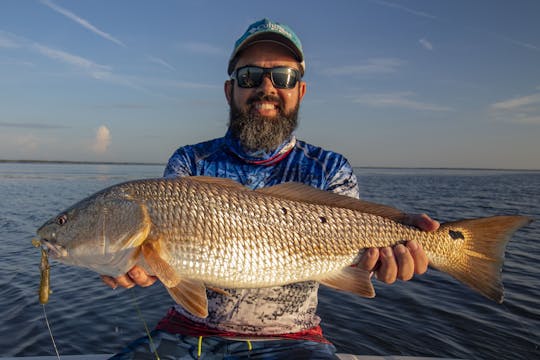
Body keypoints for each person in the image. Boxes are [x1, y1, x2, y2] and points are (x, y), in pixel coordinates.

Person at [103, 18, 440, 359]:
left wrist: (391, 252)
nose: (266, 88)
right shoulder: (190, 162)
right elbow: (165, 265)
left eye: (283, 77)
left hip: (294, 339)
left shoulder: (329, 169)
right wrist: (138, 266)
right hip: (188, 333)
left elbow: (356, 257)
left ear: (300, 91)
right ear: (229, 90)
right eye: (249, 76)